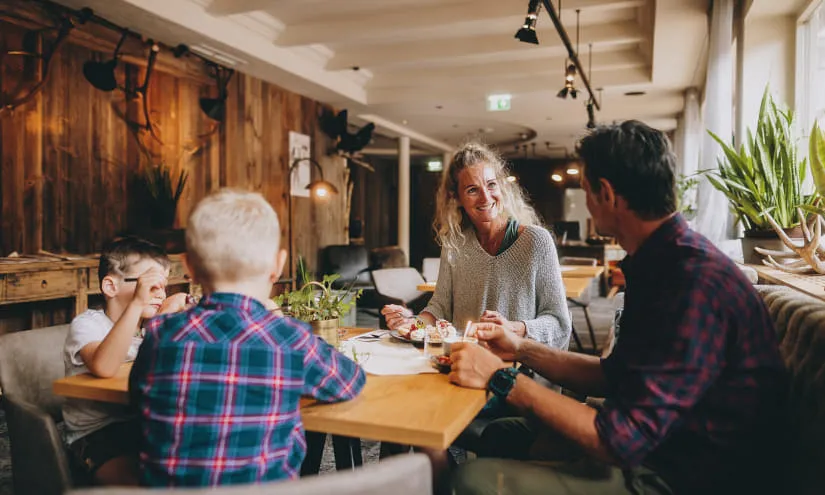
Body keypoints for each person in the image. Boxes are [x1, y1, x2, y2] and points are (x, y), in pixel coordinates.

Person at [449, 121, 787, 494]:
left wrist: (501, 377)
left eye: (586, 191)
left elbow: (621, 440)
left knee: (469, 479)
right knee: (501, 434)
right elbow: (616, 375)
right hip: (654, 445)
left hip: (678, 474)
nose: (587, 204)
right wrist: (520, 348)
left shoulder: (691, 283)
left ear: (607, 194)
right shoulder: (661, 260)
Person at [129, 188, 366, 487]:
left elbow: (136, 400)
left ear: (189, 267)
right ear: (278, 265)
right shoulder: (289, 340)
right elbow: (350, 382)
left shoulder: (160, 335)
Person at [382, 141, 570, 350]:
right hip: (462, 361)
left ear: (502, 186)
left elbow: (560, 323)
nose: (486, 197)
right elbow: (439, 308)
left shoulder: (536, 241)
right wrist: (412, 324)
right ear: (456, 198)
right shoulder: (454, 245)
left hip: (518, 366)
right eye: (472, 190)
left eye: (491, 184)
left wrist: (515, 328)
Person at [63, 236, 189, 486]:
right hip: (96, 436)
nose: (160, 294)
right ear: (111, 287)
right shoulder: (88, 325)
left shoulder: (146, 329)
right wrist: (140, 306)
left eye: (163, 286)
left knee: (187, 470)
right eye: (149, 285)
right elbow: (105, 366)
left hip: (140, 423)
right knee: (149, 485)